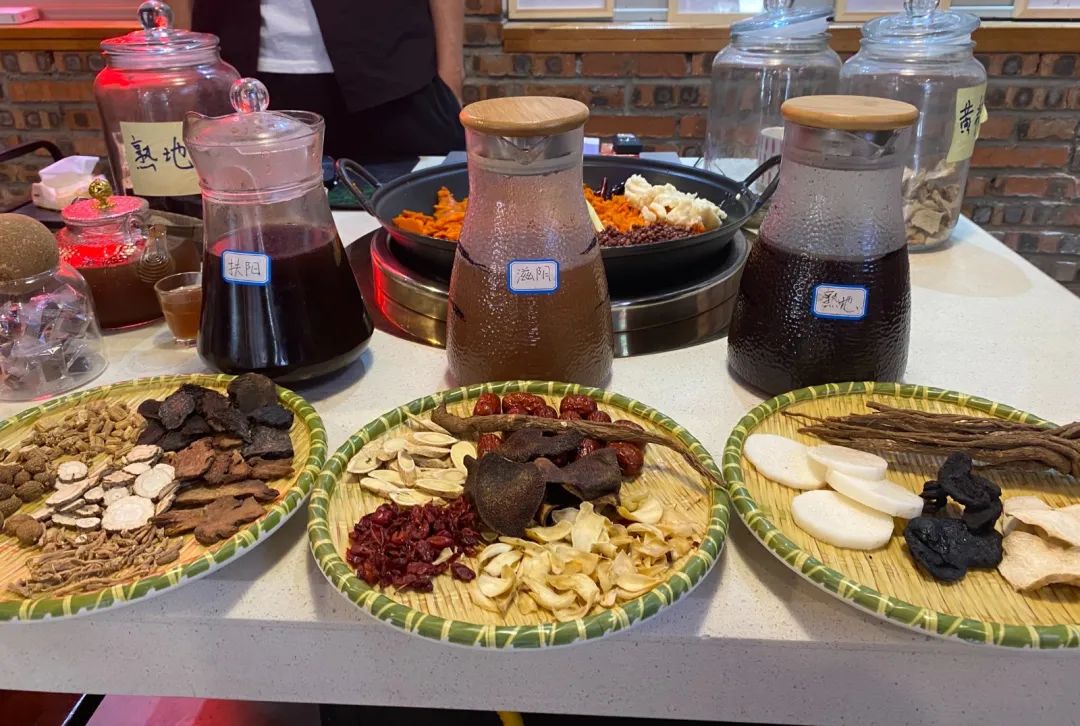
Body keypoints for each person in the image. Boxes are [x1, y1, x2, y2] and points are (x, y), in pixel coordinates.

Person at [193, 0, 466, 163]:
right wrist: (183, 69)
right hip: (241, 79)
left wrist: (450, 77)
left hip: (394, 73)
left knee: (427, 221)